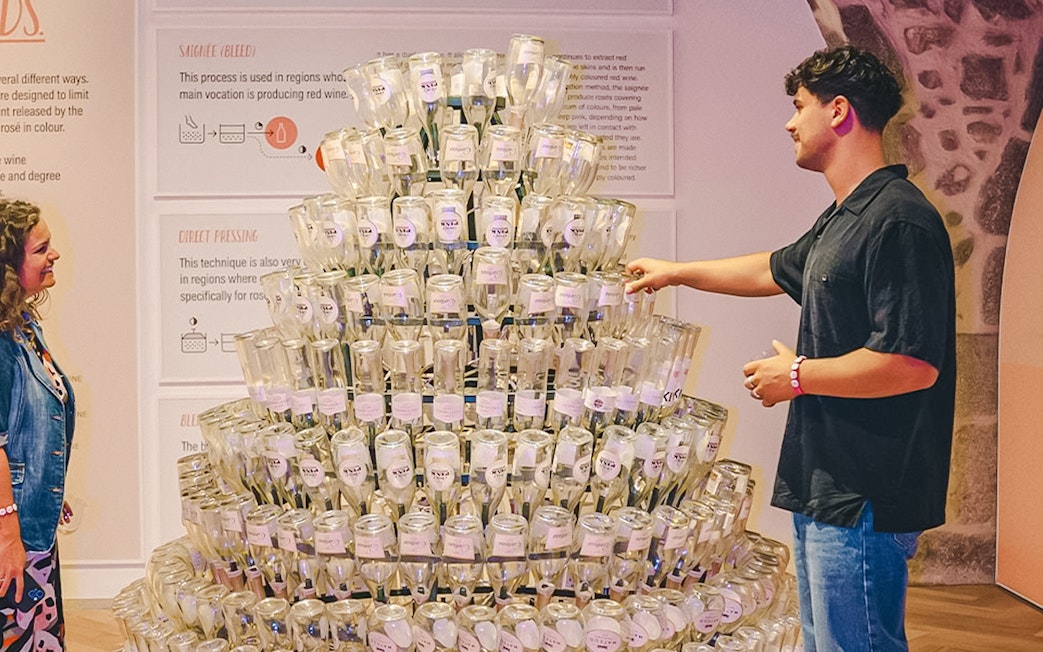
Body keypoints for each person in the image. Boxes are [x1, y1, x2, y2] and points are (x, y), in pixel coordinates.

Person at [627, 46, 955, 651]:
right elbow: (771, 269)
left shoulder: (899, 221)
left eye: (799, 107)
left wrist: (798, 375)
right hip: (824, 483)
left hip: (865, 493)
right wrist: (675, 272)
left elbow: (911, 365)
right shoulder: (844, 218)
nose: (789, 123)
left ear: (839, 112)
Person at [0, 199, 75, 650]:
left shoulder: (23, 325)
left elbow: (34, 424)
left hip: (31, 522)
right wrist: (7, 531)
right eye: (41, 248)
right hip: (13, 533)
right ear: (9, 266)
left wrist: (51, 485)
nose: (55, 255)